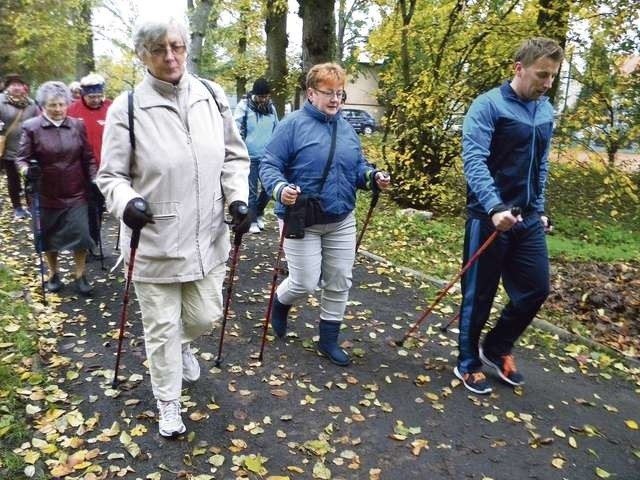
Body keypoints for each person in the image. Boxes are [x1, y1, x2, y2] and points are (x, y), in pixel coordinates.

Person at [97, 17, 250, 438]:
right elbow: (110, 176)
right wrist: (127, 202)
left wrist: (238, 197)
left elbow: (235, 157)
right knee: (160, 328)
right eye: (159, 49)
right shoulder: (127, 108)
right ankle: (168, 402)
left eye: (177, 47)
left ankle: (181, 345)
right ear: (142, 56)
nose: (171, 57)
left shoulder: (212, 96)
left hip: (208, 236)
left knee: (205, 315)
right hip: (156, 238)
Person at [260, 62, 391, 367]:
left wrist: (373, 177)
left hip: (341, 217)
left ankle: (328, 340)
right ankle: (281, 302)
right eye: (329, 92)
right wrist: (280, 189)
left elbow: (357, 168)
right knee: (305, 281)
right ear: (311, 93)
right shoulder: (292, 125)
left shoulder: (346, 128)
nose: (336, 99)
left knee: (338, 279)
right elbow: (269, 165)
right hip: (301, 217)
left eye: (340, 93)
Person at [454, 37, 563, 395]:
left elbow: (541, 164)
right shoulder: (488, 106)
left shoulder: (544, 110)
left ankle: (496, 347)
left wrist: (541, 206)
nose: (547, 84)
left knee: (536, 289)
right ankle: (467, 361)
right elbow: (474, 161)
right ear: (519, 68)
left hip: (528, 217)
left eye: (552, 77)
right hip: (489, 216)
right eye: (542, 75)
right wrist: (494, 207)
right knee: (479, 294)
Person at [15, 81, 98, 296]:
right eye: (53, 105)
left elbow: (87, 157)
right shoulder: (31, 127)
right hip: (45, 193)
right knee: (49, 237)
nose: (58, 109)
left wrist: (95, 179)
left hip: (76, 191)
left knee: (80, 234)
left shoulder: (77, 125)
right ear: (43, 105)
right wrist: (27, 172)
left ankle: (80, 275)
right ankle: (53, 274)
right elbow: (21, 159)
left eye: (62, 104)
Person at [68, 73, 113, 256]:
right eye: (91, 97)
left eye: (98, 96)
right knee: (81, 208)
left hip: (104, 168)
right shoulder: (72, 110)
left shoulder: (112, 107)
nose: (96, 100)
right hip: (78, 169)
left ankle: (93, 242)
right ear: (83, 94)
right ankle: (81, 243)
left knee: (97, 208)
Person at [234, 77, 279, 234]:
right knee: (251, 191)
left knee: (268, 189)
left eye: (267, 96)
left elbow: (277, 129)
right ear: (254, 95)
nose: (264, 100)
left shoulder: (271, 108)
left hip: (267, 156)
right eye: (261, 97)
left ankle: (258, 212)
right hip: (249, 156)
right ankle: (252, 220)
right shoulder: (244, 107)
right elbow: (235, 128)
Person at [0, 74, 40, 219]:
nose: (16, 87)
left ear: (23, 86)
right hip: (9, 147)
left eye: (19, 84)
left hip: (28, 148)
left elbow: (38, 121)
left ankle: (31, 206)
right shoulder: (1, 102)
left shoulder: (30, 103)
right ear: (7, 87)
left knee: (30, 178)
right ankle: (17, 207)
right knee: (13, 179)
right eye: (12, 85)